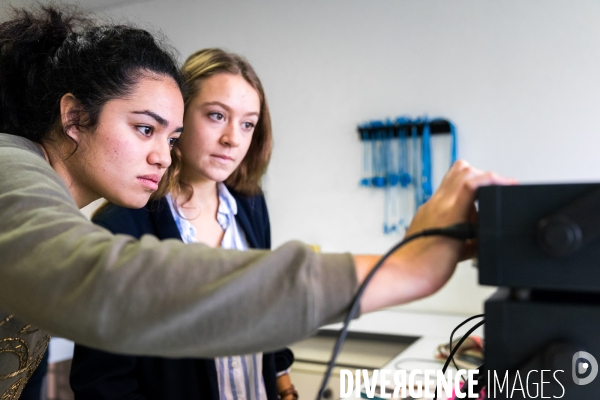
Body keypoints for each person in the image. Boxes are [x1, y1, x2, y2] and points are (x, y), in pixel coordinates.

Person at [0, 5, 514, 399]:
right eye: (143, 129)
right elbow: (109, 290)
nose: (162, 155)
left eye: (171, 137)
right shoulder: (11, 166)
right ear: (73, 117)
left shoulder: (242, 203)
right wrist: (404, 268)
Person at [70, 48, 296, 400]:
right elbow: (104, 383)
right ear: (180, 115)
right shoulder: (121, 226)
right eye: (217, 116)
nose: (233, 139)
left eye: (248, 123)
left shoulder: (251, 205)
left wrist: (284, 385)